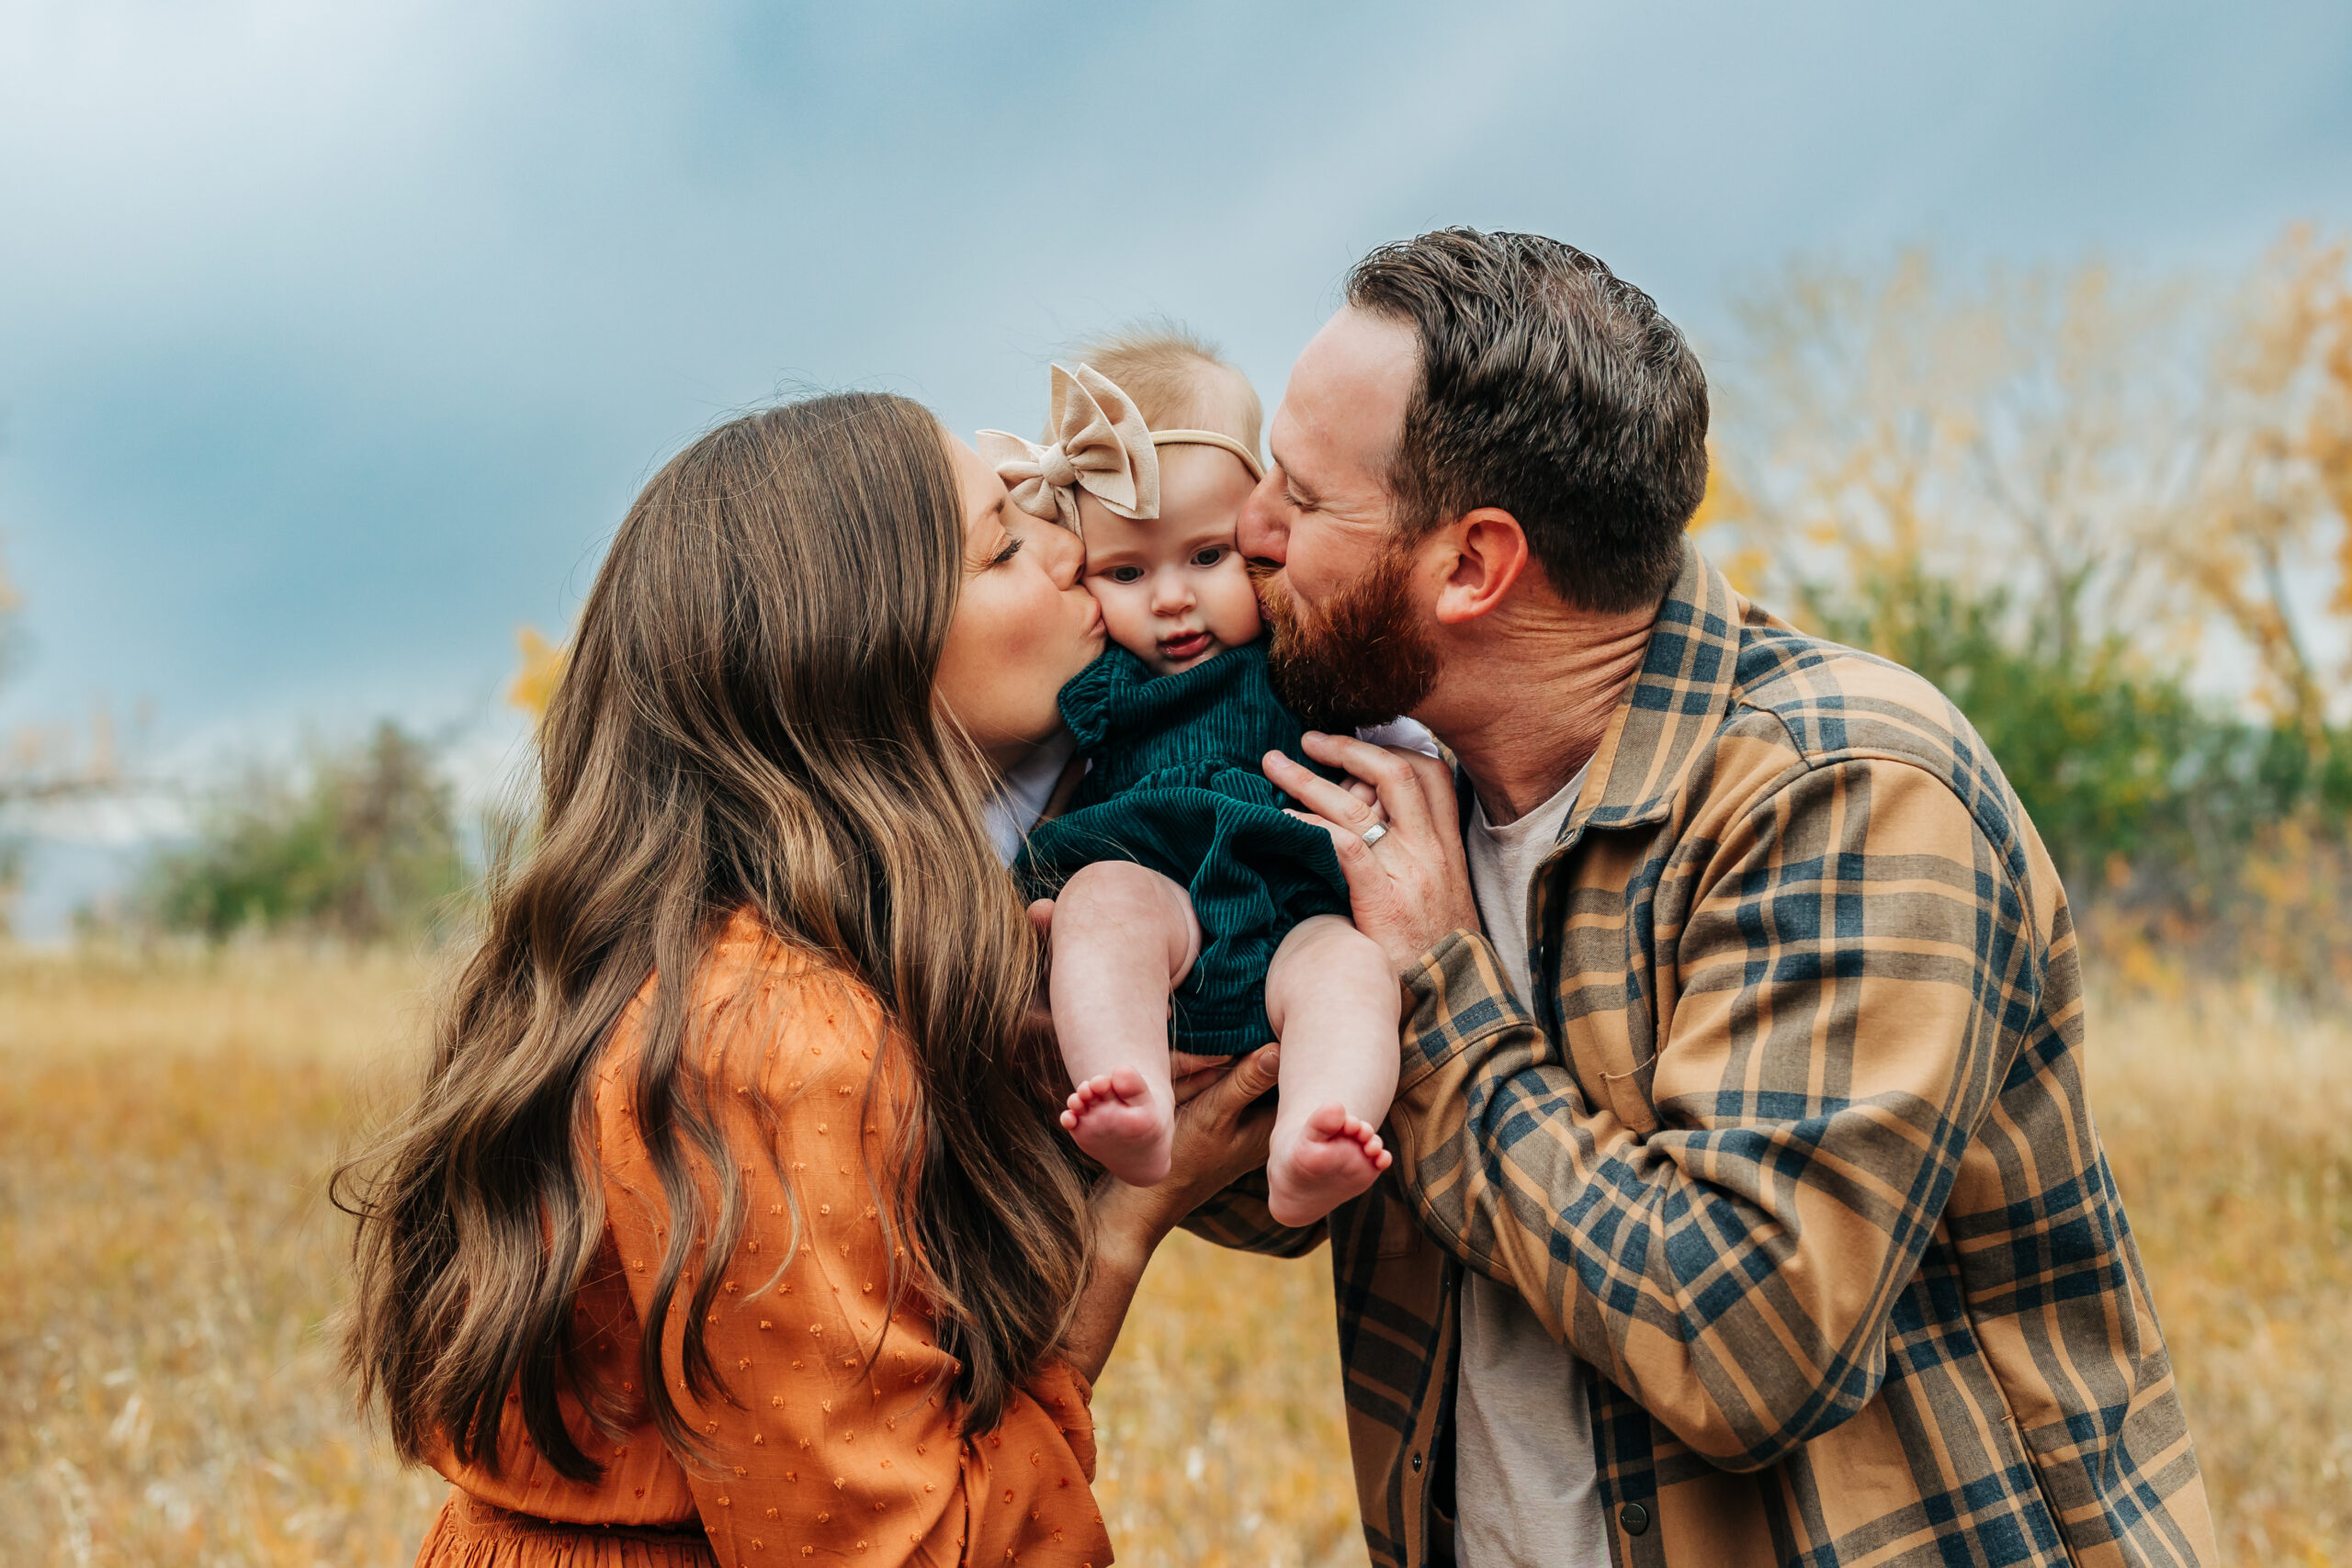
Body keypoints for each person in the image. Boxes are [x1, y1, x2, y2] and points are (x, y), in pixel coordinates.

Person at [1202, 229, 2219, 1567]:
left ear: (1471, 565)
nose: (1251, 530)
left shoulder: (1844, 788)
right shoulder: (1391, 797)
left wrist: (1437, 991)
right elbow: (1269, 1179)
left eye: (1303, 494)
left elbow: (1744, 1338)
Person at [336, 391, 1283, 1567]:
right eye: (1004, 543)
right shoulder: (775, 1040)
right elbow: (900, 1549)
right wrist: (1128, 1222)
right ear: (865, 660)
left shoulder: (751, 966)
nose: (1069, 549)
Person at [983, 330, 1397, 1226]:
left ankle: (1319, 1133)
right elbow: (1015, 792)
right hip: (1156, 896)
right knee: (1100, 905)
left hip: (1293, 905)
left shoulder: (1300, 653)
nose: (1171, 598)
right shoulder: (1095, 686)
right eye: (1126, 572)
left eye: (1207, 557)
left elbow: (1403, 721)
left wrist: (1395, 791)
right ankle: (1123, 1086)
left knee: (1352, 972)